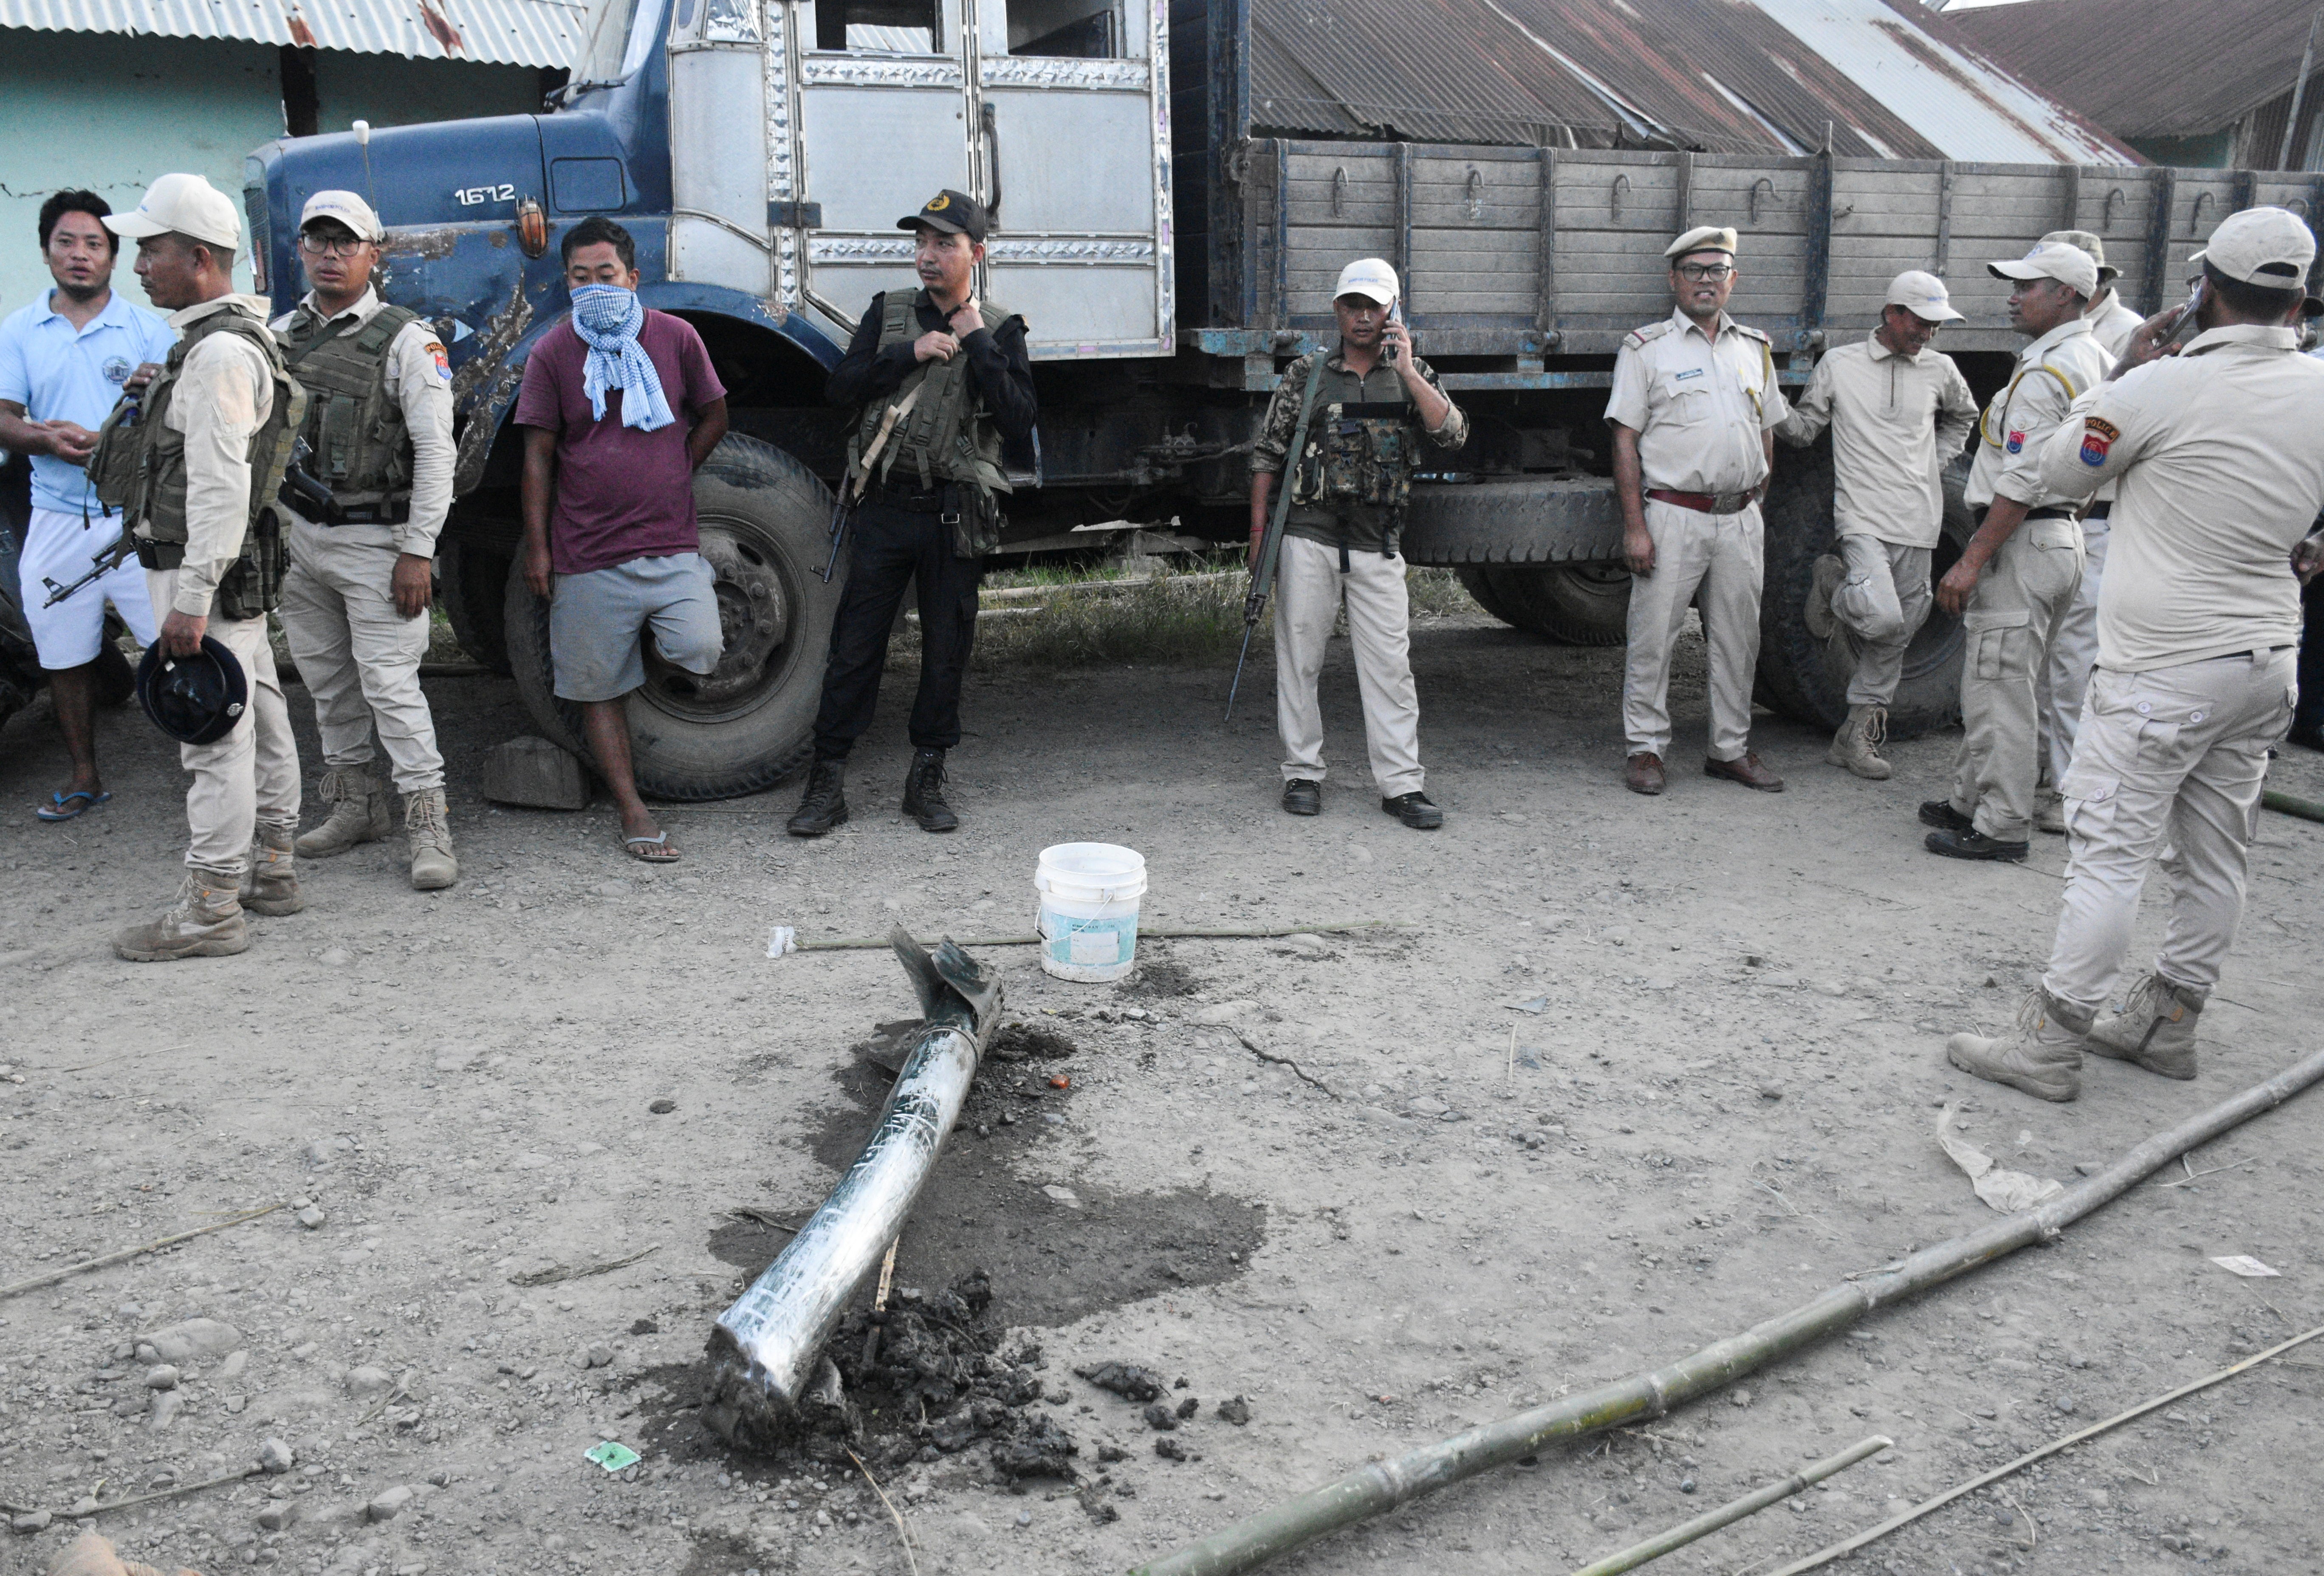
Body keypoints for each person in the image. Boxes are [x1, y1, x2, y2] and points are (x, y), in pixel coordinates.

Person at [1946, 206, 2324, 1101]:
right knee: (2215, 850)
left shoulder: (2158, 388)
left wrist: (2117, 376)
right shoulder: (2315, 387)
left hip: (2163, 663)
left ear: (2203, 294)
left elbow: (2049, 469)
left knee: (2107, 853)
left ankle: (2047, 1041)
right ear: (2296, 297)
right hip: (2265, 655)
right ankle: (2166, 1023)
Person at [93, 173, 306, 960]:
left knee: (211, 739)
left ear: (202, 259)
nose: (138, 263)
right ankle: (274, 872)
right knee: (265, 717)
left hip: (200, 574)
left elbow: (221, 486)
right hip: (224, 572)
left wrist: (188, 601)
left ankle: (213, 910)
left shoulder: (218, 351)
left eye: (152, 249)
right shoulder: (228, 339)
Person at [786, 189, 1036, 837]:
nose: (928, 256)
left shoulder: (1003, 328)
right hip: (887, 507)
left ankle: (926, 776)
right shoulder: (890, 314)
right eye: (921, 243)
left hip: (954, 513)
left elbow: (1019, 422)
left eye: (944, 244)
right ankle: (827, 780)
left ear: (974, 254)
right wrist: (911, 353)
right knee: (854, 648)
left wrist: (976, 340)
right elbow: (838, 388)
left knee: (946, 650)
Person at [516, 215, 729, 863]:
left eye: (604, 275)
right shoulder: (552, 353)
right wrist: (540, 549)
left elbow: (715, 412)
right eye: (579, 278)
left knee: (701, 647)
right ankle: (632, 806)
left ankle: (644, 640)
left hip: (668, 542)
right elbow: (537, 458)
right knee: (596, 689)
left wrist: (676, 466)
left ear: (632, 278)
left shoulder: (676, 337)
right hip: (586, 552)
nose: (592, 287)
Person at [271, 191, 459, 890]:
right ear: (301, 250)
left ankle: (427, 822)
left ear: (373, 254)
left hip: (378, 543)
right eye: (317, 241)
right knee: (326, 682)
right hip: (303, 539)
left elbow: (436, 453)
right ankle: (357, 805)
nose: (329, 254)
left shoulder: (409, 340)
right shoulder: (281, 335)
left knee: (391, 689)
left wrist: (418, 550)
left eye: (345, 242)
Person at [1248, 257, 1466, 829]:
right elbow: (1267, 455)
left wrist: (1410, 372)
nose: (1362, 317)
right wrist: (1257, 535)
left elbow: (1451, 434)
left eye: (1373, 306)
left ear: (1391, 311)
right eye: (1352, 306)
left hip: (1378, 541)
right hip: (1308, 535)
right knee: (1299, 659)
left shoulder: (1413, 372)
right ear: (1337, 311)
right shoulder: (1308, 374)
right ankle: (1301, 773)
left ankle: (1401, 785)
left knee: (1390, 667)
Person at [1918, 241, 2112, 861]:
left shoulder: (2045, 371)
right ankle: (1968, 797)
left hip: (2023, 537)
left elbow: (2022, 478)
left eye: (2027, 286)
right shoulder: (2094, 357)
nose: (2013, 295)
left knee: (1998, 686)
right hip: (2062, 535)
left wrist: (1972, 555)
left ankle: (2000, 823)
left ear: (2066, 295)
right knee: (2007, 679)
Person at [0, 189, 174, 820]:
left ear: (113, 255)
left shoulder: (148, 328)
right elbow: (4, 418)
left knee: (175, 644)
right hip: (53, 515)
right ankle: (84, 774)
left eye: (94, 244)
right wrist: (44, 437)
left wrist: (123, 435)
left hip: (136, 515)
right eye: (66, 242)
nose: (79, 255)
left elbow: (171, 421)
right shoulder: (19, 331)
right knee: (62, 652)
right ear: (46, 252)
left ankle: (202, 770)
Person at [1606, 226, 1790, 796]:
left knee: (1738, 638)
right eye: (1693, 271)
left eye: (1717, 271)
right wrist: (1635, 527)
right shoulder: (1646, 349)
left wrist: (1752, 496)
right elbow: (1623, 441)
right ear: (1673, 279)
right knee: (1652, 636)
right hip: (1671, 513)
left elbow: (1765, 431)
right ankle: (1644, 748)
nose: (1705, 281)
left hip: (1737, 517)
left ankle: (1728, 749)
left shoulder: (1753, 349)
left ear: (1732, 280)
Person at [1776, 270, 1977, 778]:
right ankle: (1832, 585)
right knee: (1883, 619)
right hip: (1861, 516)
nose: (1928, 333)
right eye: (1921, 322)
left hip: (1919, 519)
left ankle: (1855, 736)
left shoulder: (1940, 369)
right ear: (1892, 314)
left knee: (1897, 634)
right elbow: (1803, 431)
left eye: (1936, 325)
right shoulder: (1839, 364)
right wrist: (1764, 400)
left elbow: (1964, 415)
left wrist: (1935, 461)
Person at [2032, 229, 2144, 832]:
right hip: (2063, 517)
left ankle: (2068, 790)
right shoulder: (2055, 342)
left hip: (2092, 517)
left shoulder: (2123, 337)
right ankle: (2050, 775)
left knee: (2075, 664)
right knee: (2050, 661)